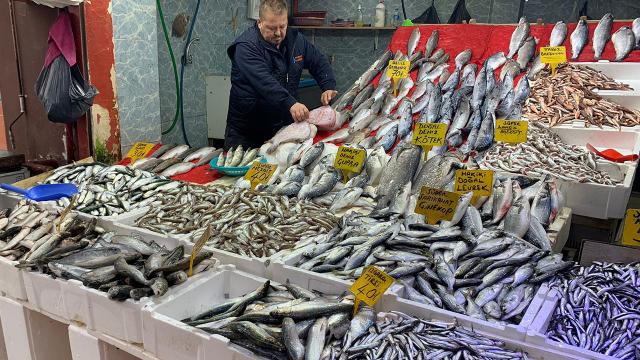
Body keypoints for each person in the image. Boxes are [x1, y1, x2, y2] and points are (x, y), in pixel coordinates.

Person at [225, 0, 337, 149]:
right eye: (271, 28)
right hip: (248, 133)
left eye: (282, 26)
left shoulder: (296, 40)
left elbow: (318, 61)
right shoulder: (246, 47)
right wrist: (290, 103)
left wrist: (328, 85)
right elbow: (265, 82)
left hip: (284, 127)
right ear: (259, 23)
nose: (278, 33)